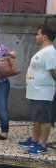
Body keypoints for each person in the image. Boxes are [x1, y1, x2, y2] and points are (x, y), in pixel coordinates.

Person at [19, 25, 56, 155]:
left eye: (38, 34)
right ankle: (34, 140)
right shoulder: (43, 51)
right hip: (35, 91)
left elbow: (53, 71)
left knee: (44, 119)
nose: (36, 36)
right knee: (36, 118)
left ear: (45, 37)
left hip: (44, 92)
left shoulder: (50, 52)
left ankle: (42, 145)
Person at [0, 44, 15, 140]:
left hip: (1, 83)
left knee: (2, 107)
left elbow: (11, 57)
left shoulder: (1, 47)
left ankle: (4, 132)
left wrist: (11, 55)